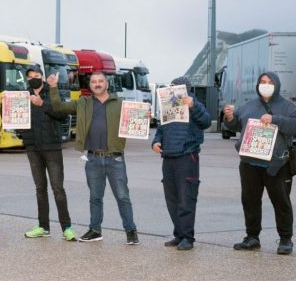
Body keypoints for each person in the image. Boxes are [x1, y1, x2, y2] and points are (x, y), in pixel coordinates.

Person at [47, 72, 140, 245]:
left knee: (123, 197)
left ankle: (131, 231)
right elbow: (58, 107)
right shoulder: (83, 103)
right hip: (93, 158)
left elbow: (137, 121)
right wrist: (53, 87)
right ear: (89, 85)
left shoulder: (120, 104)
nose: (97, 84)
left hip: (115, 158)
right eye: (93, 82)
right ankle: (95, 230)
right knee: (95, 197)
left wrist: (144, 118)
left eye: (100, 81)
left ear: (107, 84)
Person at [222, 72, 296, 255]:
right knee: (250, 201)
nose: (266, 85)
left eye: (270, 82)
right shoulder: (248, 105)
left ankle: (286, 239)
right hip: (249, 163)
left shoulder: (288, 107)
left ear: (276, 84)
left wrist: (275, 120)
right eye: (262, 82)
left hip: (277, 164)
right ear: (257, 84)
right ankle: (252, 237)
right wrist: (229, 118)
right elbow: (234, 126)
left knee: (281, 202)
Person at [151, 76, 211, 251]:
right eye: (172, 87)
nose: (173, 90)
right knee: (172, 199)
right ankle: (179, 234)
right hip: (168, 157)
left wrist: (193, 106)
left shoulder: (195, 104)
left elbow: (206, 122)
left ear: (187, 90)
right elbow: (161, 129)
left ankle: (188, 237)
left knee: (186, 198)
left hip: (187, 156)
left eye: (177, 88)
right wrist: (156, 142)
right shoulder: (169, 105)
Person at [19, 67, 76, 241]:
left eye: (37, 76)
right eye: (30, 77)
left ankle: (66, 228)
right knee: (40, 188)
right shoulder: (21, 96)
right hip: (32, 147)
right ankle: (43, 226)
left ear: (42, 77)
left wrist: (42, 104)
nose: (34, 79)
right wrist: (5, 106)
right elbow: (13, 118)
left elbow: (61, 114)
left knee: (58, 188)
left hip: (52, 147)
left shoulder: (51, 92)